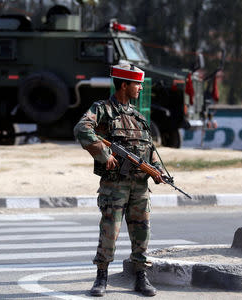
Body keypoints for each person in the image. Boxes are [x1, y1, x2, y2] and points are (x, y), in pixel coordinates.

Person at [74, 64, 164, 297]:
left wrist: (158, 170)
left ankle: (141, 278)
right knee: (109, 231)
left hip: (140, 186)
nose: (140, 88)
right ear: (124, 85)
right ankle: (101, 277)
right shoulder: (102, 109)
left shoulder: (139, 117)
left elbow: (150, 149)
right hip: (115, 186)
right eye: (137, 84)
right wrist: (104, 156)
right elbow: (82, 128)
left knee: (142, 232)